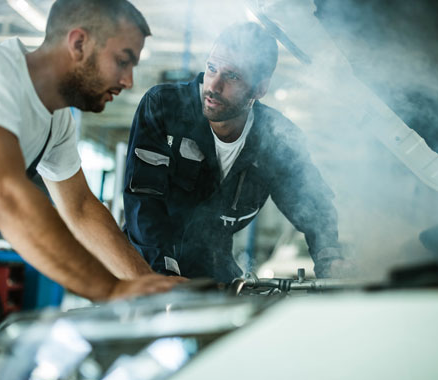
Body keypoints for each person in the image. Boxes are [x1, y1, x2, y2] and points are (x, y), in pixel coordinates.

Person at [0, 0, 187, 303]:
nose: (128, 81)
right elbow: (6, 196)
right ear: (79, 43)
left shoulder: (56, 121)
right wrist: (109, 289)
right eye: (122, 61)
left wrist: (149, 286)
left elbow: (79, 208)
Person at [123, 22, 344, 283]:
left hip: (212, 268)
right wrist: (164, 274)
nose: (213, 86)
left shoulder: (277, 138)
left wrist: (331, 261)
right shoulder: (165, 106)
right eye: (212, 68)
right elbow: (144, 200)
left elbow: (313, 208)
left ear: (260, 89)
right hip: (142, 262)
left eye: (233, 76)